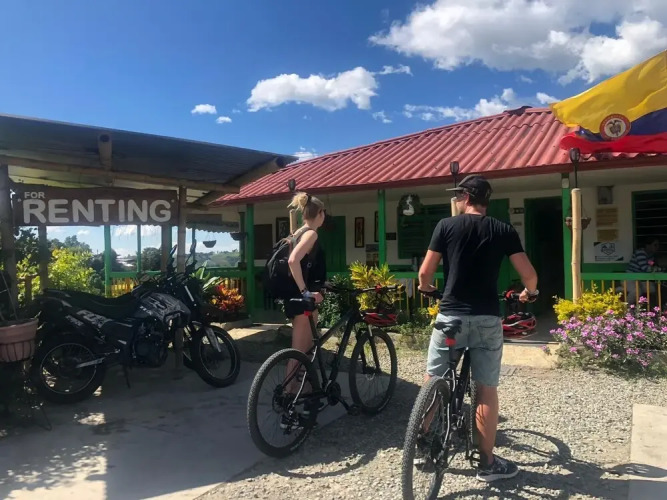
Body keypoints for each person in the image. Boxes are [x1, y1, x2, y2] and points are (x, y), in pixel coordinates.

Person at [417, 174, 539, 483]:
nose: (457, 200)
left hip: (451, 319)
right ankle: (487, 463)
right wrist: (530, 293)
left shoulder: (446, 226)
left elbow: (425, 273)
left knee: (434, 377)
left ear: (468, 197)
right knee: (485, 389)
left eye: (459, 195)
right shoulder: (503, 229)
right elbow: (529, 275)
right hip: (486, 319)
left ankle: (421, 443)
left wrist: (427, 288)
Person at [624, 237, 663, 305]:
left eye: (658, 245)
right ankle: (625, 307)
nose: (657, 247)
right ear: (648, 245)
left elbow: (651, 267)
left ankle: (651, 308)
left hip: (640, 279)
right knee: (637, 291)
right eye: (655, 245)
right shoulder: (640, 252)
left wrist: (655, 268)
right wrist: (658, 269)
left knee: (653, 289)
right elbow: (645, 268)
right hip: (630, 278)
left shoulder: (651, 255)